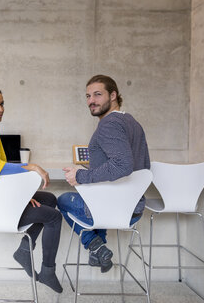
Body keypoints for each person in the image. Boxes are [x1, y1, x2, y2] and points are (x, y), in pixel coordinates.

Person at [0, 86, 63, 293]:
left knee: (49, 199)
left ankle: (25, 250)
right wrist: (31, 166)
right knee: (54, 217)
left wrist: (22, 197)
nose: (0, 108)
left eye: (2, 104)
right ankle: (48, 271)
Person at [57, 74, 150, 273]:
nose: (91, 101)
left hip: (109, 209)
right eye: (88, 96)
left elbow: (122, 165)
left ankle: (96, 245)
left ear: (113, 95)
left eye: (98, 94)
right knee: (97, 196)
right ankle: (98, 251)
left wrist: (80, 176)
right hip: (131, 211)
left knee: (63, 200)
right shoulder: (132, 122)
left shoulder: (109, 124)